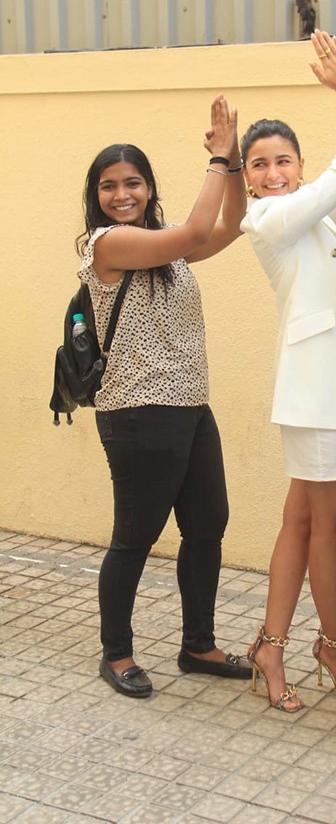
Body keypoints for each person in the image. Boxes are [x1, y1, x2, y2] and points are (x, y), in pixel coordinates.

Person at [76, 96, 253, 697]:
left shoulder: (169, 249)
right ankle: (117, 653)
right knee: (136, 535)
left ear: (150, 187)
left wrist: (231, 168)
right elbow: (200, 229)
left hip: (190, 407)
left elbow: (228, 225)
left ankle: (198, 645)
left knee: (208, 525)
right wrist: (220, 156)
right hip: (136, 412)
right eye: (108, 185)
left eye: (132, 182)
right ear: (96, 195)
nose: (121, 193)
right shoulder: (103, 244)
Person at [240, 31, 336, 711]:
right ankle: (334, 644)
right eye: (259, 164)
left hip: (331, 395)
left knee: (303, 524)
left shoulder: (313, 217)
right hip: (318, 399)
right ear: (247, 177)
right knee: (332, 527)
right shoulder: (270, 219)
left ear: (297, 165)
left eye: (282, 161)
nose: (272, 173)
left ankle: (270, 644)